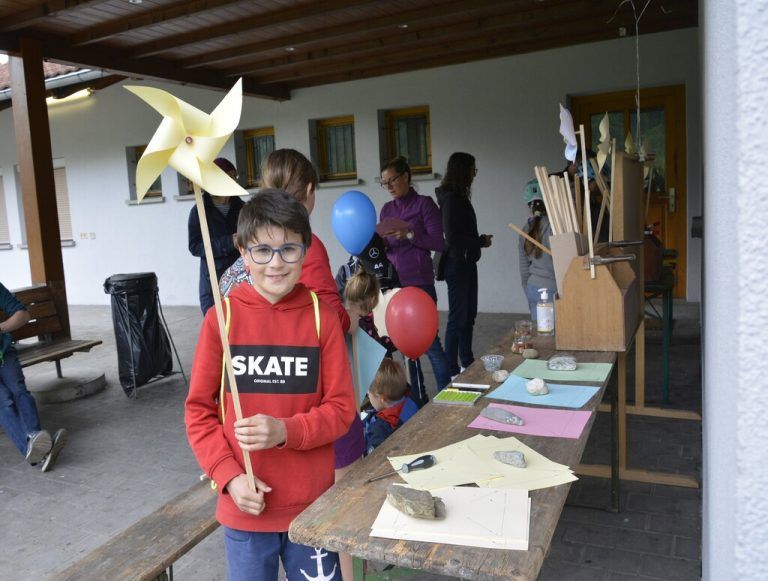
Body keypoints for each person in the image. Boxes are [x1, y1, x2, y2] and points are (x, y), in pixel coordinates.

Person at [185, 190, 355, 581]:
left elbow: (342, 409)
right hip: (245, 510)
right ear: (243, 253)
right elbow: (198, 412)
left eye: (288, 249)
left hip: (311, 510)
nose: (276, 263)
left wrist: (285, 431)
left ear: (306, 250)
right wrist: (228, 476)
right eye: (262, 250)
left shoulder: (321, 319)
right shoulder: (220, 320)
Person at [219, 149, 349, 332]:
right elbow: (330, 316)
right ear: (309, 189)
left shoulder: (254, 234)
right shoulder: (304, 243)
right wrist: (351, 317)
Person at [379, 156, 451, 398]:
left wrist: (409, 233)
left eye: (392, 180)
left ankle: (445, 395)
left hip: (420, 284)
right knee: (406, 349)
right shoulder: (387, 210)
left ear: (406, 176)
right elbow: (383, 247)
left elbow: (438, 243)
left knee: (431, 346)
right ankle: (419, 398)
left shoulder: (424, 204)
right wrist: (379, 245)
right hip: (394, 285)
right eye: (384, 183)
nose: (389, 186)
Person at [435, 152, 492, 378]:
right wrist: (479, 241)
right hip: (456, 265)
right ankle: (452, 368)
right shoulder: (451, 200)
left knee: (469, 315)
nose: (473, 175)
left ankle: (467, 361)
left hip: (467, 262)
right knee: (458, 317)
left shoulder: (459, 197)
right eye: (472, 170)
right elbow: (452, 237)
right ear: (462, 171)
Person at [0, 282, 67, 472]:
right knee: (3, 400)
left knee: (19, 390)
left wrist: (1, 327)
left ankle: (36, 441)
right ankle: (34, 450)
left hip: (3, 353)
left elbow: (23, 314)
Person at [188, 157, 245, 314]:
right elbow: (195, 247)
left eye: (235, 176)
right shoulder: (200, 210)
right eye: (230, 176)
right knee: (217, 327)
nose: (234, 180)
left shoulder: (243, 208)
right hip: (213, 281)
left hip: (241, 278)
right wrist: (228, 242)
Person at [362, 358, 419, 454]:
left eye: (368, 393)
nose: (368, 395)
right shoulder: (412, 397)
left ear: (382, 398)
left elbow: (373, 460)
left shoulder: (379, 430)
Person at [518, 179, 556, 320]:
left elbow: (524, 270)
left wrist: (528, 291)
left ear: (529, 206)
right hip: (553, 290)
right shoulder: (556, 228)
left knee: (540, 335)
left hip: (533, 288)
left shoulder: (524, 230)